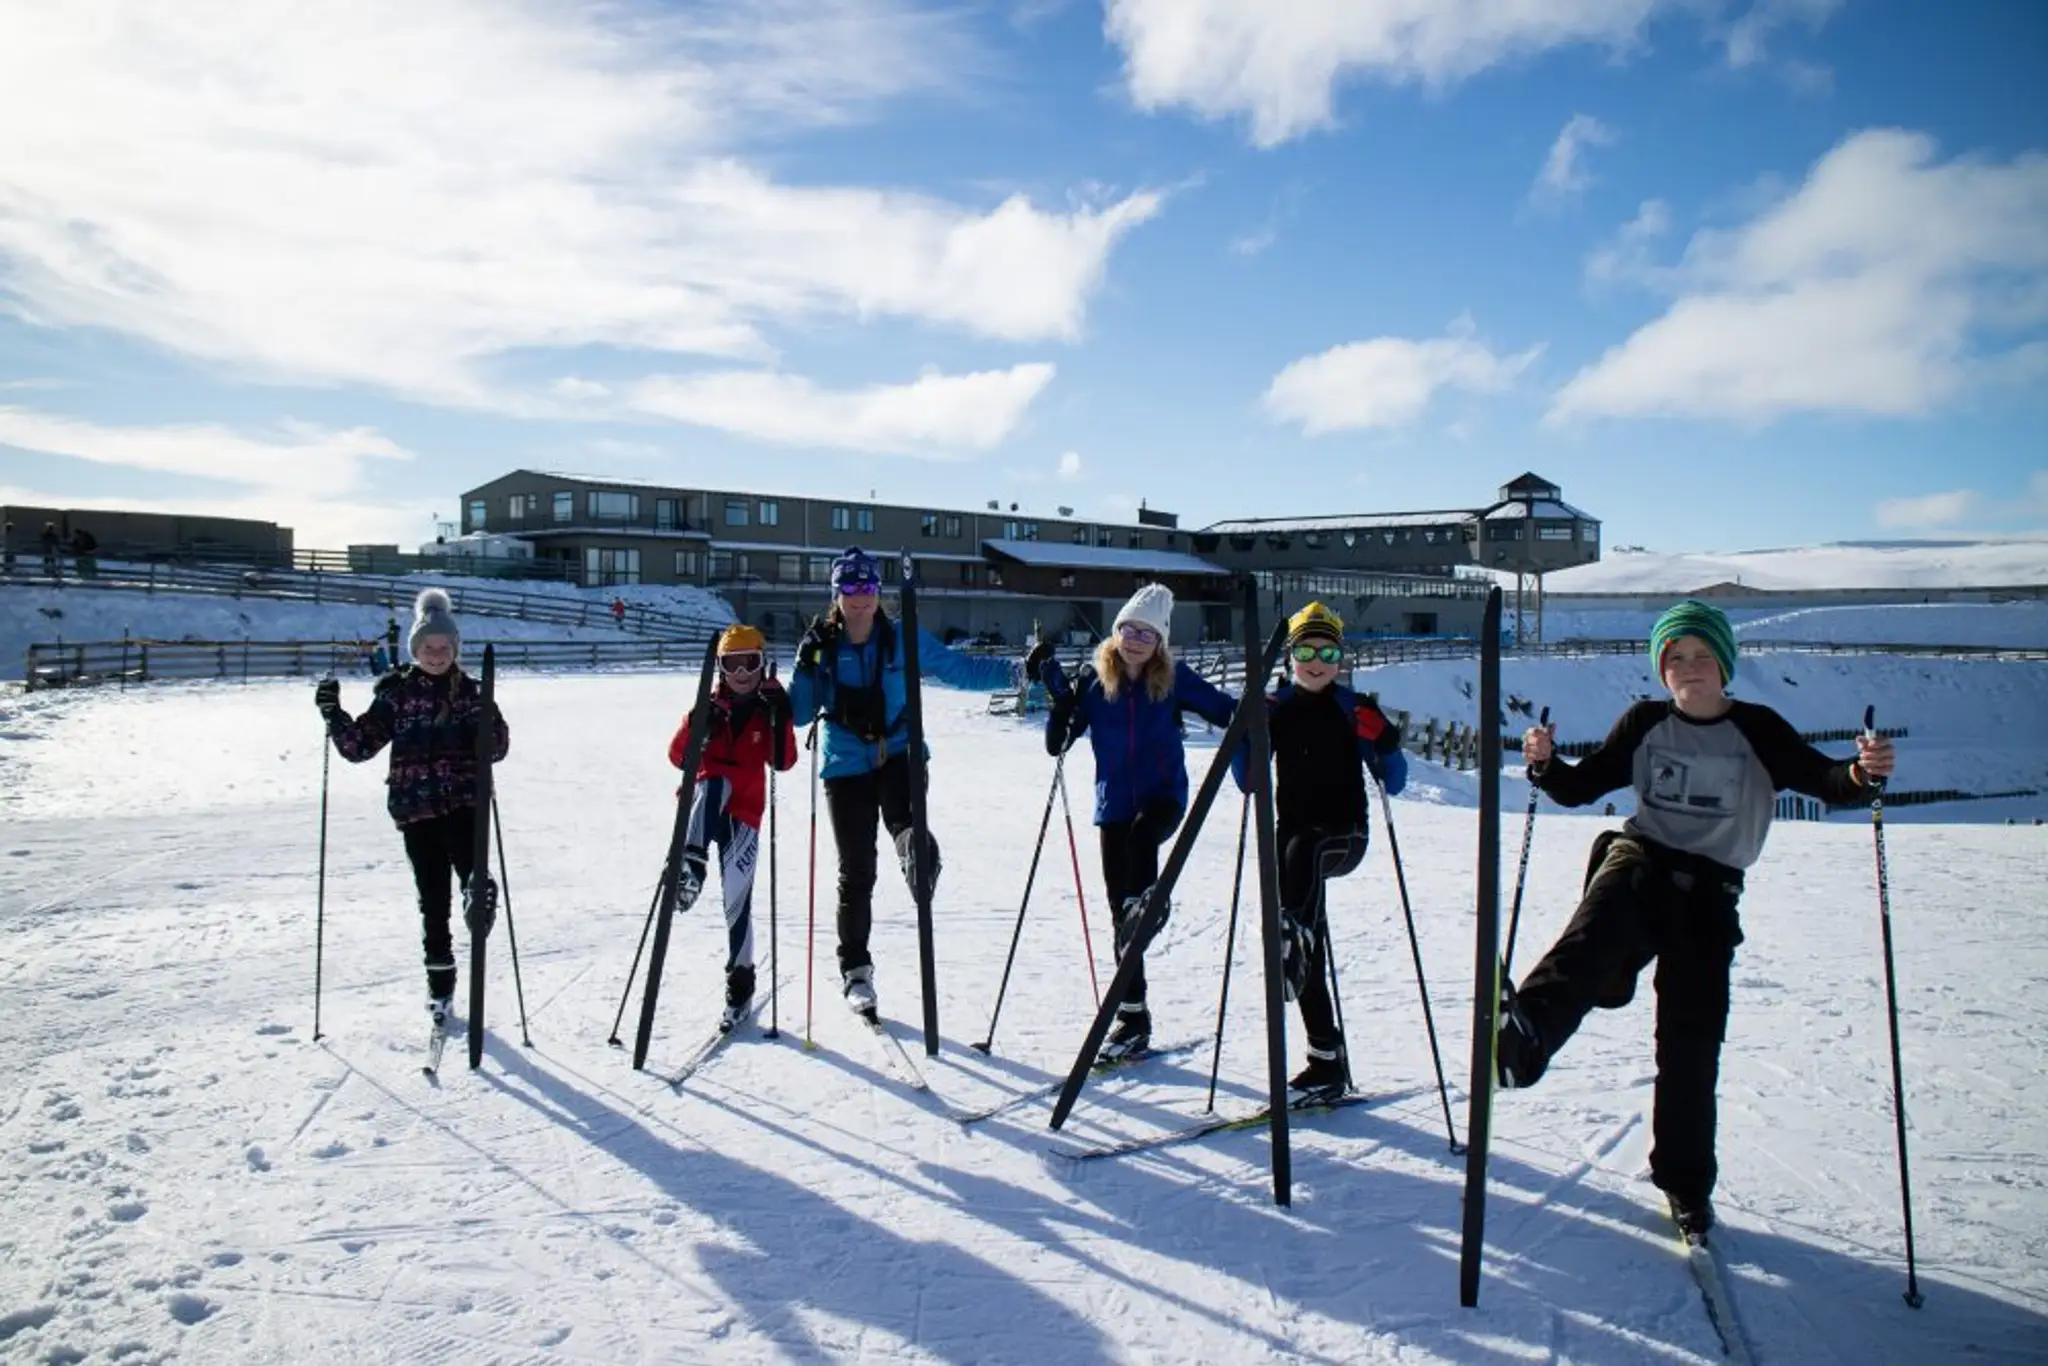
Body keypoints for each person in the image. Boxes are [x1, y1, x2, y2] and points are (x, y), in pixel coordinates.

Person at [1495, 599, 1896, 1239]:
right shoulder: (1644, 722)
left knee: (1690, 1043)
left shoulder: (1757, 728)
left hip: (1711, 891)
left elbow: (1824, 779)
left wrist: (1862, 773)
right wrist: (1544, 764)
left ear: (1724, 664)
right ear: (1661, 669)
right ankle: (1524, 1039)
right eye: (1675, 657)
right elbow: (1580, 786)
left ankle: (1684, 1185)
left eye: (1702, 655)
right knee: (1592, 936)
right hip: (1642, 860)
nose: (1688, 667)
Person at [788, 547, 1021, 1019]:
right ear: (836, 593)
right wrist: (806, 663)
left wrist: (1019, 672)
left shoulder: (900, 636)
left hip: (899, 750)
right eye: (849, 587)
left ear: (878, 592)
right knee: (857, 872)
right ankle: (856, 971)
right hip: (845, 762)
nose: (859, 597)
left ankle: (918, 852)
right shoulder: (822, 645)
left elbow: (959, 669)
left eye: (867, 586)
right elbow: (797, 713)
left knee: (903, 818)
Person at [1029, 583, 1237, 1062]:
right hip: (1113, 805)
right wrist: (1058, 697)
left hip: (1163, 797)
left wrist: (1264, 711)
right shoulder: (1095, 681)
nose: (1136, 641)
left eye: (1147, 633)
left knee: (1144, 842)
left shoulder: (1174, 679)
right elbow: (1059, 742)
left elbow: (1226, 710)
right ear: (1116, 631)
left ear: (1160, 641)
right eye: (1129, 630)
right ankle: (1132, 1016)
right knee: (1119, 917)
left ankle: (1145, 907)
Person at [1231, 603, 1406, 1096]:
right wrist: (1246, 735)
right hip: (1291, 841)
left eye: (1327, 653)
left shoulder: (1352, 708)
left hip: (1343, 836)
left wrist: (1386, 741)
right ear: (1291, 657)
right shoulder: (1277, 707)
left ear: (1340, 659)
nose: (1316, 662)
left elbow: (1395, 781)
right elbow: (1248, 780)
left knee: (1302, 883)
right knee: (1304, 937)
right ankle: (1325, 1058)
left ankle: (1296, 938)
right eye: (1306, 651)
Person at [315, 588, 510, 1027]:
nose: (437, 655)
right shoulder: (397, 695)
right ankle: (440, 985)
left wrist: (484, 724)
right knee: (432, 902)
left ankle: (478, 890)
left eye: (444, 648)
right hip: (415, 810)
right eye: (428, 648)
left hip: (464, 800)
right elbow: (359, 746)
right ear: (415, 650)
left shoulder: (472, 693)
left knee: (468, 861)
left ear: (455, 650)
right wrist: (333, 714)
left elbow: (497, 748)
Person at [668, 624, 798, 1031]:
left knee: (737, 902)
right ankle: (690, 864)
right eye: (732, 664)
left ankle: (740, 984)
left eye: (750, 663)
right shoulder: (710, 706)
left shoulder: (767, 708)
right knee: (715, 783)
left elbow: (783, 762)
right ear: (720, 669)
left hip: (745, 815)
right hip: (705, 809)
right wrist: (697, 724)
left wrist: (781, 716)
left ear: (762, 664)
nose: (741, 673)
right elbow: (677, 757)